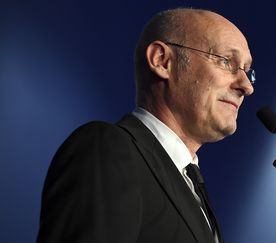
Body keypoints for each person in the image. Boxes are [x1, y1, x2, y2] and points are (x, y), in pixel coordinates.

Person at [36, 7, 255, 243]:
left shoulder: (190, 182)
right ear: (162, 61)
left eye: (248, 71)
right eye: (226, 61)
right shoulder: (107, 150)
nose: (246, 86)